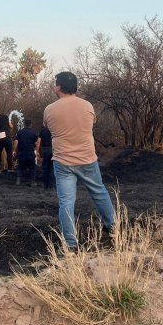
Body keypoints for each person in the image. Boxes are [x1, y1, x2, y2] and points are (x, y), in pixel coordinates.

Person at [43, 71, 116, 250]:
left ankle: (70, 245)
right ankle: (113, 230)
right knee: (100, 193)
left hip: (63, 162)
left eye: (55, 84)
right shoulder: (88, 106)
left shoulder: (50, 109)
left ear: (59, 86)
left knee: (66, 202)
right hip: (87, 158)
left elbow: (47, 126)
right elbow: (91, 125)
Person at [13, 118, 39, 186]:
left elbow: (16, 142)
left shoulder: (19, 132)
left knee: (20, 167)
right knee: (32, 167)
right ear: (31, 125)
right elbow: (37, 142)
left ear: (24, 124)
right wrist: (37, 150)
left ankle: (18, 181)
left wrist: (14, 150)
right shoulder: (34, 133)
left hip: (21, 152)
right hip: (30, 152)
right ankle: (32, 182)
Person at [35, 121, 55, 190]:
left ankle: (45, 185)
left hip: (45, 150)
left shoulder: (42, 131)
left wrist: (37, 151)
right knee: (52, 167)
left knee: (45, 167)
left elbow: (38, 141)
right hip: (53, 150)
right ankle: (51, 185)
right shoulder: (54, 130)